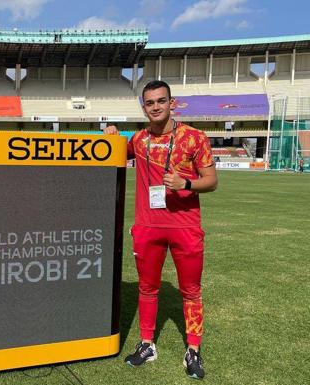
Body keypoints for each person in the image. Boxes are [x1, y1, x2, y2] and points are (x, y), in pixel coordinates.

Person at [105, 80, 218, 380]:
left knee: (191, 291)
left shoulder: (194, 138)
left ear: (172, 103)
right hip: (147, 227)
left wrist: (187, 183)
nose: (155, 106)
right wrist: (112, 133)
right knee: (147, 288)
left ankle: (192, 350)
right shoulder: (138, 141)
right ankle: (147, 344)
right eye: (150, 102)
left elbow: (212, 180)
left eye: (161, 101)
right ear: (144, 106)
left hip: (185, 227)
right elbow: (114, 150)